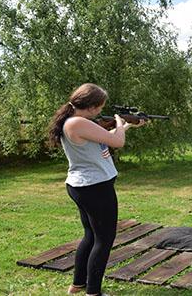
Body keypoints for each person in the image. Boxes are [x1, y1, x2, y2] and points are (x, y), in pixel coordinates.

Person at [48, 83, 145, 296]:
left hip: (86, 185)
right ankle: (93, 293)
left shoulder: (77, 122)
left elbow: (106, 138)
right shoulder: (77, 123)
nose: (102, 110)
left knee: (91, 236)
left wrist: (127, 125)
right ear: (91, 106)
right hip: (94, 187)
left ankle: (78, 285)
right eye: (100, 107)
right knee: (104, 240)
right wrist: (120, 123)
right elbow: (117, 142)